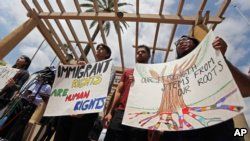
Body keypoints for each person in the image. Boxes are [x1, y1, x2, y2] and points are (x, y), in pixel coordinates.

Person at [159, 35, 250, 141]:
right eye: (178, 42)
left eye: (187, 39)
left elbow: (246, 89)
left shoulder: (213, 65)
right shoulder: (168, 76)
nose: (181, 42)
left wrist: (221, 59)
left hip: (217, 131)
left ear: (198, 44)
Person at [54, 43, 112, 141]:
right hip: (70, 107)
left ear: (107, 54)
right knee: (61, 136)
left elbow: (103, 91)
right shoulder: (86, 66)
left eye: (102, 49)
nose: (98, 50)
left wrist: (84, 110)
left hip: (87, 111)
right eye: (97, 48)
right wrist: (79, 68)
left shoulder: (110, 69)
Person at [103, 45, 151, 141]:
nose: (140, 53)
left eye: (143, 52)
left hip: (141, 114)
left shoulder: (154, 74)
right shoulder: (127, 72)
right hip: (121, 112)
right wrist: (110, 112)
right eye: (138, 52)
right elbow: (118, 91)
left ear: (149, 56)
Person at [0, 66, 54, 141]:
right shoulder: (34, 81)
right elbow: (23, 90)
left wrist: (35, 99)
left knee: (19, 124)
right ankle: (2, 136)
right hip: (20, 102)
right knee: (10, 119)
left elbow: (46, 100)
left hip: (30, 106)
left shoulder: (48, 87)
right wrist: (14, 86)